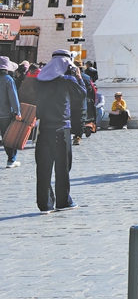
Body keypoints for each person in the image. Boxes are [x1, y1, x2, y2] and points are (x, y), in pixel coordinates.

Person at [34, 51, 86, 213]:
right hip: (62, 128)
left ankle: (45, 204)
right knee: (63, 167)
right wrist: (78, 77)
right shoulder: (67, 80)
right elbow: (82, 95)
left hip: (44, 129)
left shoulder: (40, 80)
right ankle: (63, 201)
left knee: (43, 167)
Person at [1, 56, 23, 168]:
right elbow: (13, 98)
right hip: (5, 114)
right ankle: (11, 160)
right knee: (8, 138)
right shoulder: (8, 80)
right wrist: (17, 112)